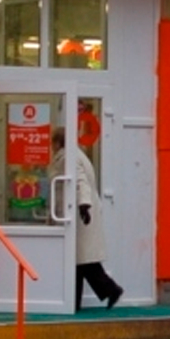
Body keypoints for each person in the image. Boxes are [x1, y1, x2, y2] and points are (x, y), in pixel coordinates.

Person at [54, 127, 123, 311]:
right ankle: (79, 299)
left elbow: (79, 182)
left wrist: (84, 204)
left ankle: (108, 290)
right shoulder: (78, 155)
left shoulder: (69, 158)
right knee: (80, 260)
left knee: (80, 260)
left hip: (77, 215)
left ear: (58, 142)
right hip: (79, 214)